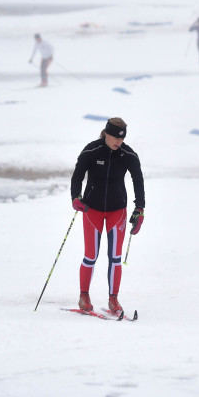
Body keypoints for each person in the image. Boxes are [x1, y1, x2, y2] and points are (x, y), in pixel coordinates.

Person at [71, 117, 145, 315]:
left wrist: (140, 208)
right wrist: (75, 197)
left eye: (122, 139)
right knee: (91, 256)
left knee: (115, 257)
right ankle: (84, 296)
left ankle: (114, 299)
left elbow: (138, 180)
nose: (118, 142)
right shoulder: (91, 150)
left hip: (117, 211)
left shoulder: (127, 154)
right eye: (115, 138)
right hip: (91, 210)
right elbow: (77, 175)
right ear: (106, 133)